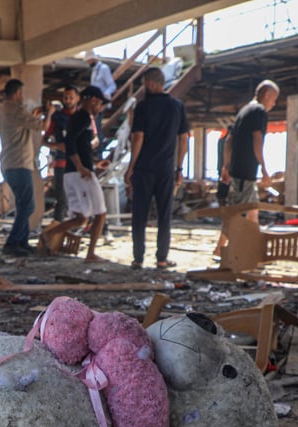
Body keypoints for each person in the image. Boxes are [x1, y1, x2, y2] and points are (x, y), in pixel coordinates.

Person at [124, 68, 190, 270]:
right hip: (166, 169)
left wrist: (131, 166)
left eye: (144, 84)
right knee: (164, 215)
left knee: (140, 215)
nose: (144, 88)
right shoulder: (178, 106)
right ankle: (162, 258)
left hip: (144, 168)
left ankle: (138, 258)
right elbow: (184, 139)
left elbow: (138, 138)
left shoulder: (143, 107)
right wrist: (179, 168)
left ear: (152, 83)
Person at [37, 86, 109, 263]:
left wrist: (93, 163)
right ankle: (91, 254)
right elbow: (69, 142)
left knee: (80, 218)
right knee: (101, 214)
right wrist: (81, 167)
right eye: (100, 104)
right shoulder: (83, 116)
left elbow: (78, 145)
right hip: (80, 173)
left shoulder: (79, 118)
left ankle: (48, 235)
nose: (100, 108)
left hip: (72, 172)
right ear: (92, 100)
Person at [218, 80, 280, 253]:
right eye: (274, 99)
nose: (274, 104)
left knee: (252, 211)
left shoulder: (244, 111)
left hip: (238, 169)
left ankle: (255, 248)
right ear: (266, 95)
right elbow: (257, 139)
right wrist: (263, 167)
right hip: (245, 171)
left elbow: (229, 140)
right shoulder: (259, 111)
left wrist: (226, 165)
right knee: (237, 214)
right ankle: (221, 249)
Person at [0, 79, 48, 257]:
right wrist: (50, 114)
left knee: (22, 204)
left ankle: (22, 242)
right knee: (28, 206)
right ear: (17, 93)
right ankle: (12, 243)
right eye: (22, 93)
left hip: (9, 164)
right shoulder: (17, 111)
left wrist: (34, 114)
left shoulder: (3, 111)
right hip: (19, 164)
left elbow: (26, 123)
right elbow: (42, 126)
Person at [45, 86, 80, 222]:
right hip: (61, 162)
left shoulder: (83, 116)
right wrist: (55, 145)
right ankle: (56, 231)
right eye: (66, 98)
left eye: (71, 97)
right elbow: (44, 139)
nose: (68, 100)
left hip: (79, 163)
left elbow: (94, 139)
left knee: (83, 197)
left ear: (77, 98)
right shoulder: (57, 118)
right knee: (62, 200)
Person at [86, 51, 116, 157]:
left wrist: (104, 96)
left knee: (97, 127)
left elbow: (112, 86)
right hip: (94, 105)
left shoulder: (103, 69)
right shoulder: (94, 71)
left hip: (101, 104)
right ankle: (95, 151)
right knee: (93, 127)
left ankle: (99, 154)